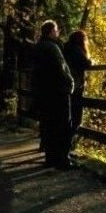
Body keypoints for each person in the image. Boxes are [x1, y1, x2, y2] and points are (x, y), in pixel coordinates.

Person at [34, 19, 74, 170]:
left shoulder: (38, 47)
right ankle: (63, 160)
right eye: (56, 30)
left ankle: (50, 158)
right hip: (58, 91)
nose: (58, 32)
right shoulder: (52, 47)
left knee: (49, 125)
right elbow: (62, 68)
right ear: (51, 31)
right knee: (64, 125)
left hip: (44, 91)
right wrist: (70, 84)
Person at [64, 29, 92, 139]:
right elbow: (86, 63)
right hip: (75, 85)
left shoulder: (65, 48)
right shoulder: (77, 50)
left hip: (65, 84)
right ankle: (68, 143)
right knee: (76, 115)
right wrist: (90, 61)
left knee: (66, 113)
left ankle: (59, 143)